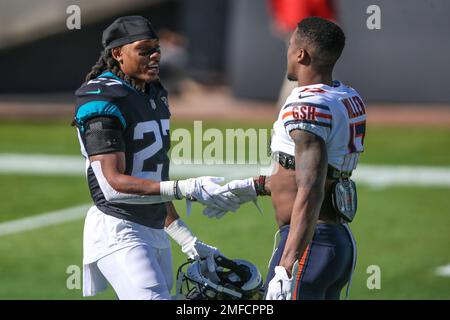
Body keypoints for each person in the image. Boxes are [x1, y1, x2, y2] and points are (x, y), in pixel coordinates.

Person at [73, 16, 238, 300]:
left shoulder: (153, 92)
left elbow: (152, 178)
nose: (155, 56)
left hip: (154, 229)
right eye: (144, 50)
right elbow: (112, 186)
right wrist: (185, 187)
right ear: (117, 53)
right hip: (119, 227)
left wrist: (186, 238)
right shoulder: (103, 98)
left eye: (156, 48)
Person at [207, 17, 366, 300]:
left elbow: (310, 188)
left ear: (301, 54)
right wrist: (254, 186)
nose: (288, 51)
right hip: (334, 242)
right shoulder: (344, 95)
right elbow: (314, 172)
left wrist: (287, 265)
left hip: (309, 244)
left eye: (291, 44)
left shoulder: (307, 106)